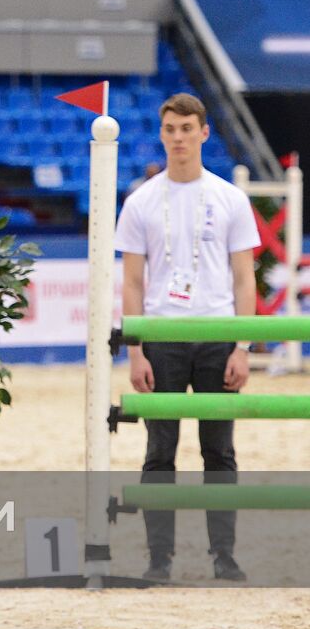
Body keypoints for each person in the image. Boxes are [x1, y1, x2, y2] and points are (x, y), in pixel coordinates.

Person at [114, 93, 259, 583]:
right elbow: (131, 282)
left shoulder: (231, 198)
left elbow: (245, 279)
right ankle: (160, 558)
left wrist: (244, 346)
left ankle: (224, 555)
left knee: (219, 451)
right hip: (162, 336)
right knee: (160, 452)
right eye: (170, 129)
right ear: (162, 134)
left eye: (186, 128)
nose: (178, 137)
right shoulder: (140, 201)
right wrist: (134, 351)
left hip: (219, 335)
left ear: (204, 132)